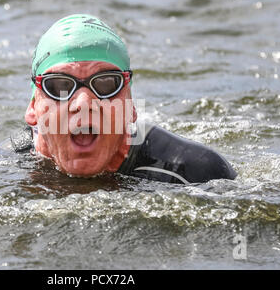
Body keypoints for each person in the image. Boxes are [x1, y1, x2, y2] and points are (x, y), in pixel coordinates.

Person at [18, 14, 236, 184]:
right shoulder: (8, 164)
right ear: (33, 108)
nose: (83, 104)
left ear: (130, 107)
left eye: (105, 84)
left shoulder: (194, 172)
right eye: (60, 86)